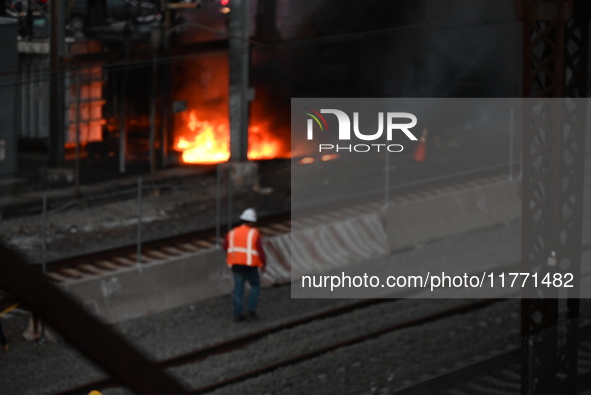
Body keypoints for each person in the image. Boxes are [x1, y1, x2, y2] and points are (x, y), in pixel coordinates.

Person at [223, 208, 267, 322]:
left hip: (236, 266)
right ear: (252, 222)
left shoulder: (231, 233)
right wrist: (263, 264)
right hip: (250, 266)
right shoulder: (254, 233)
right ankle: (251, 309)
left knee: (238, 291)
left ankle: (238, 314)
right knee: (255, 285)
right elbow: (260, 250)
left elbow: (225, 247)